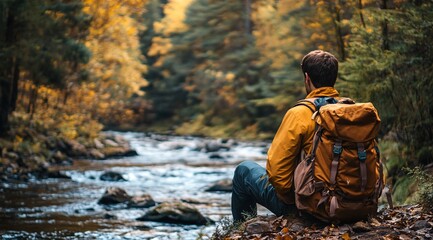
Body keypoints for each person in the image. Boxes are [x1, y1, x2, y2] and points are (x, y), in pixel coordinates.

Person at [231, 50, 340, 222]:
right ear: (334, 78)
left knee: (243, 170)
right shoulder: (353, 112)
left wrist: (292, 200)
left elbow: (277, 172)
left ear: (307, 78)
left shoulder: (299, 114)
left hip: (310, 205)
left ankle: (241, 229)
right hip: (350, 200)